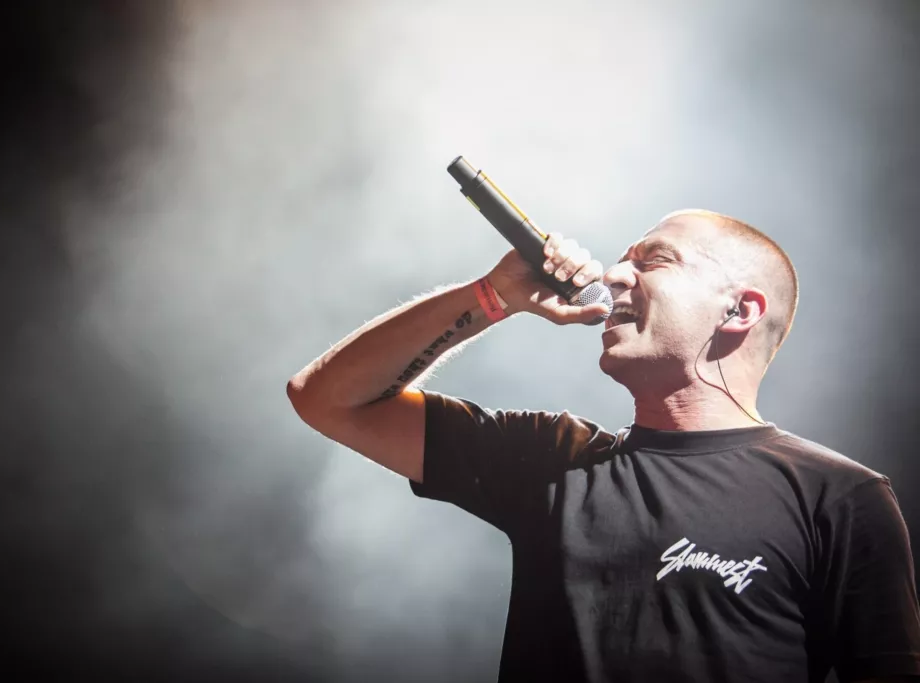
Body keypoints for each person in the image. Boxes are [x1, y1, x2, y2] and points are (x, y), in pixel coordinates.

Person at [287, 208, 920, 682]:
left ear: (739, 311)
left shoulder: (838, 497)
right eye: (622, 261)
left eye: (654, 261)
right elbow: (326, 398)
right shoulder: (552, 458)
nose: (615, 276)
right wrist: (493, 297)